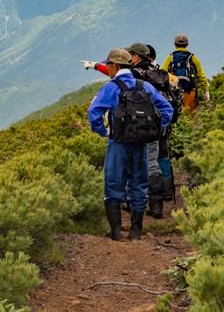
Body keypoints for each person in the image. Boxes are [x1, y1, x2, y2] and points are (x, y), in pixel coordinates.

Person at [88, 49, 174, 240]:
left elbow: (94, 113)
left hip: (118, 142)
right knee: (139, 184)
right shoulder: (144, 86)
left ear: (115, 66)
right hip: (141, 143)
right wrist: (156, 130)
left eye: (109, 65)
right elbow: (166, 109)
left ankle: (116, 231)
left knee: (114, 182)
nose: (108, 68)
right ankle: (136, 231)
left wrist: (104, 132)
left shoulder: (111, 87)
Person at [126, 42, 179, 218]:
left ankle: (133, 203)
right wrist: (162, 125)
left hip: (134, 127)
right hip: (155, 126)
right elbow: (168, 104)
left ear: (136, 57)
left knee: (133, 163)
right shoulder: (158, 72)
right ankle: (157, 205)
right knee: (154, 163)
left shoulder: (133, 75)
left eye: (130, 54)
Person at [162, 34, 209, 112]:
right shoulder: (193, 58)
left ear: (175, 44)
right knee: (190, 115)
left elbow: (162, 73)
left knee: (175, 113)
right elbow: (201, 75)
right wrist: (205, 90)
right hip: (190, 91)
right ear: (187, 44)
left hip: (173, 91)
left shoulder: (170, 58)